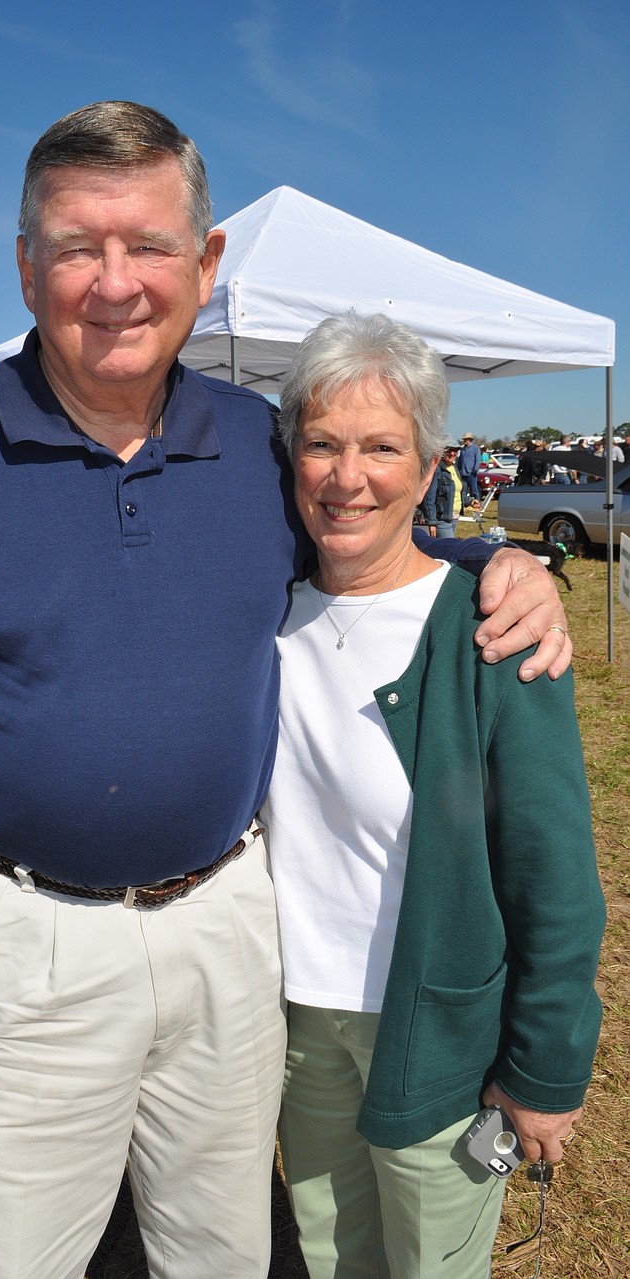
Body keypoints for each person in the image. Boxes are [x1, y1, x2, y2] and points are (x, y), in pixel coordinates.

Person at [0, 101, 572, 1279]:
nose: (115, 284)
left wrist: (497, 561)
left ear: (205, 264)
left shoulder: (258, 443)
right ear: (26, 268)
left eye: (150, 245)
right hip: (19, 939)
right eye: (77, 246)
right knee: (22, 1259)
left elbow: (358, 526)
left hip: (229, 921)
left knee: (219, 1250)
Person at [263, 312, 605, 1279]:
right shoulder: (268, 609)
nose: (348, 475)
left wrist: (545, 1068)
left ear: (430, 465)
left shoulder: (490, 633)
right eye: (322, 443)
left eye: (382, 446)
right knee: (333, 1251)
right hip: (296, 1021)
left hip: (435, 1028)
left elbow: (557, 874)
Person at [416, 441, 461, 538]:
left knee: (444, 550)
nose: (452, 453)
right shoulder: (437, 470)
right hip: (441, 520)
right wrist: (432, 522)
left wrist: (470, 501)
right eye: (449, 450)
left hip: (454, 517)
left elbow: (458, 491)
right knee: (449, 548)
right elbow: (429, 497)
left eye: (455, 450)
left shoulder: (455, 469)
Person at [455, 431, 481, 506]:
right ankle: (464, 504)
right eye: (464, 439)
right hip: (463, 473)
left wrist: (475, 469)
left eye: (466, 439)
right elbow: (459, 461)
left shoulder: (475, 448)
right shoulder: (462, 450)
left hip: (472, 473)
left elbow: (478, 459)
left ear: (470, 440)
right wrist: (457, 470)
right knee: (463, 490)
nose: (464, 441)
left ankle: (478, 503)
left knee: (474, 489)